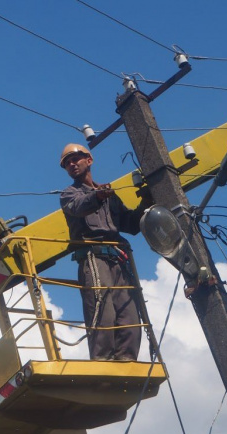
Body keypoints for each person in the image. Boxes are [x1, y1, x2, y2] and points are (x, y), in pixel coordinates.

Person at [59, 143, 150, 361]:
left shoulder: (108, 195)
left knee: (130, 317)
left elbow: (131, 224)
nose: (71, 164)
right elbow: (79, 207)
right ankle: (103, 363)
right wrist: (98, 196)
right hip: (94, 258)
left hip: (118, 259)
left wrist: (147, 199)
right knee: (103, 312)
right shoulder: (69, 194)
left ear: (88, 160)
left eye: (75, 159)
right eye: (67, 163)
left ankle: (127, 362)